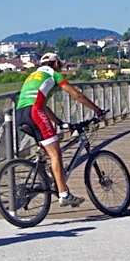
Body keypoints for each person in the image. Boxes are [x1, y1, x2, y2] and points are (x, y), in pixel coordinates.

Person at [15, 52, 104, 207]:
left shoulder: (33, 75)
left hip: (21, 114)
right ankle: (64, 194)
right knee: (55, 153)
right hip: (35, 112)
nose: (61, 68)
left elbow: (41, 105)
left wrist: (59, 122)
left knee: (47, 149)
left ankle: (48, 176)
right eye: (60, 65)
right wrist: (97, 110)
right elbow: (76, 95)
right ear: (55, 63)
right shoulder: (53, 75)